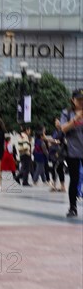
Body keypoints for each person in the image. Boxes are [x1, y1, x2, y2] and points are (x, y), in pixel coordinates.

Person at [60, 88, 83, 217]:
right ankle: (73, 207)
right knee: (74, 179)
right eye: (78, 99)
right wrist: (76, 119)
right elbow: (63, 128)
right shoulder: (67, 113)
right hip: (72, 150)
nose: (81, 102)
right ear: (72, 100)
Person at [48, 118, 67, 192]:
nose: (56, 123)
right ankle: (54, 185)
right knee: (54, 169)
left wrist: (53, 141)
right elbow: (54, 140)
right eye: (55, 122)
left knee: (59, 169)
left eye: (58, 122)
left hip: (60, 153)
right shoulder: (54, 131)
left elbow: (62, 142)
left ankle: (62, 186)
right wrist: (51, 142)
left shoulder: (63, 131)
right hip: (53, 152)